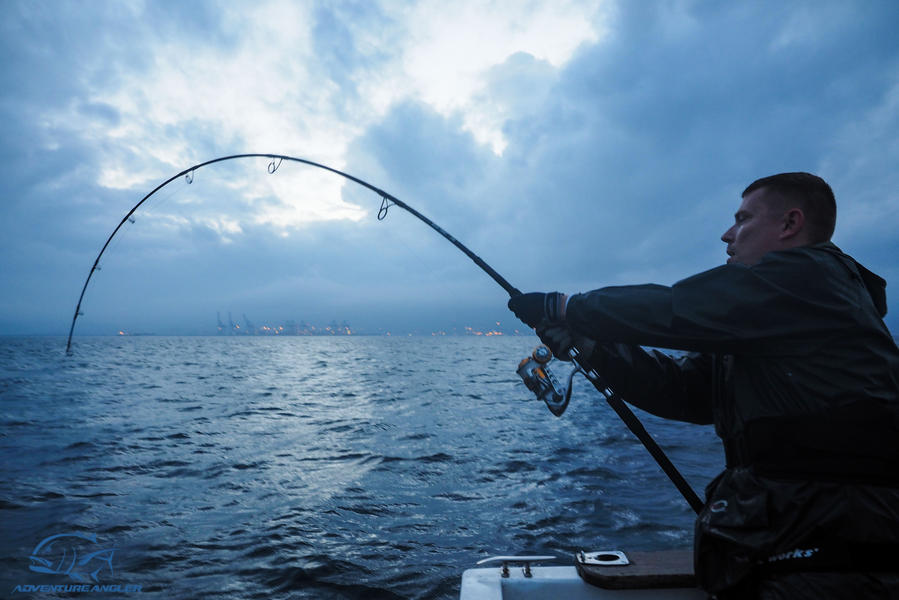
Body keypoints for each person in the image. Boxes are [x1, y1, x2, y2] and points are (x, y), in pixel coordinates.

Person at [508, 172, 899, 599]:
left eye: (743, 219)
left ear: (790, 224)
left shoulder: (814, 279)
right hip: (784, 542)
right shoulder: (763, 323)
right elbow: (682, 389)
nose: (727, 234)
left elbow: (679, 307)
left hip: (834, 555)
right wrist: (596, 349)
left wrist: (566, 307)